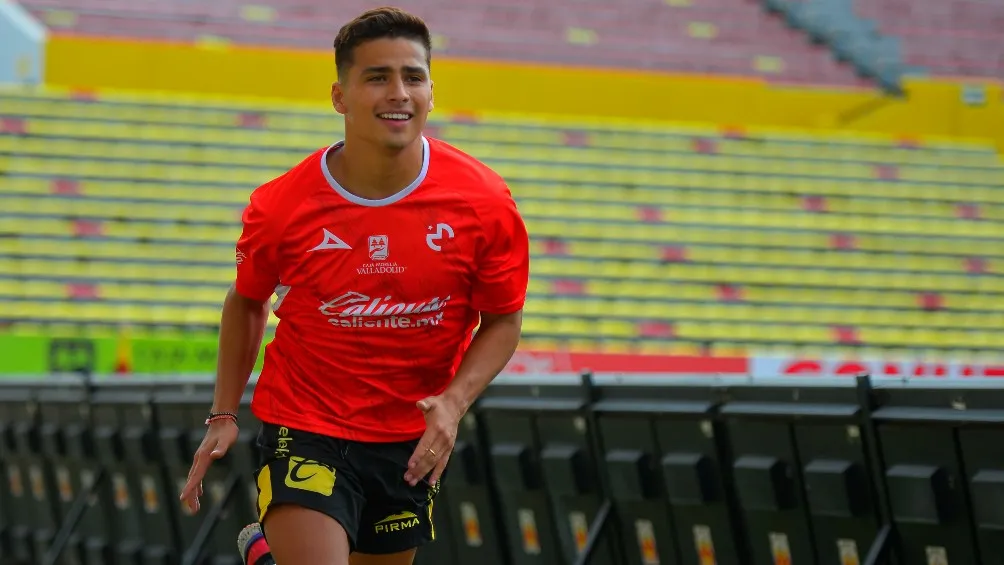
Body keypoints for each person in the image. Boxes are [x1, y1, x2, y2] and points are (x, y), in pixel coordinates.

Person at [178, 5, 530, 565]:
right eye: (377, 77)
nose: (399, 93)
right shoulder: (282, 205)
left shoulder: (484, 202)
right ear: (340, 97)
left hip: (408, 440)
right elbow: (247, 301)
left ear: (431, 92)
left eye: (413, 77)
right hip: (305, 425)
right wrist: (224, 414)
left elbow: (504, 319)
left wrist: (453, 404)